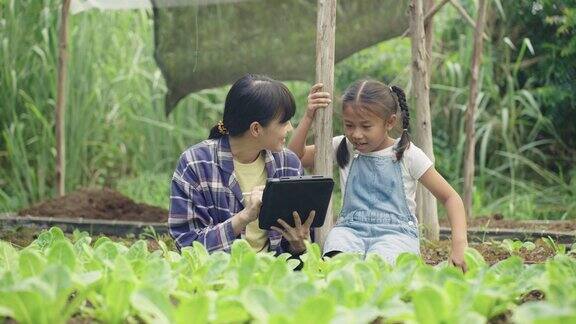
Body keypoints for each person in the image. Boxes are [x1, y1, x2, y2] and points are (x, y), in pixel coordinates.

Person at [288, 80, 468, 271]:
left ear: (389, 122)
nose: (356, 134)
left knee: (381, 266)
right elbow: (294, 157)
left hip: (396, 234)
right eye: (349, 125)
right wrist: (308, 117)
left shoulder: (407, 154)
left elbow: (451, 198)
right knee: (337, 264)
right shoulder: (342, 146)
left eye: (366, 127)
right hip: (349, 231)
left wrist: (459, 244)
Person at [169, 74, 315, 255]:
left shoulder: (288, 164)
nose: (290, 128)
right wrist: (244, 217)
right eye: (283, 122)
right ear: (256, 129)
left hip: (276, 277)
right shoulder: (196, 164)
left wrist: (300, 245)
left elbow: (301, 249)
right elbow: (187, 244)